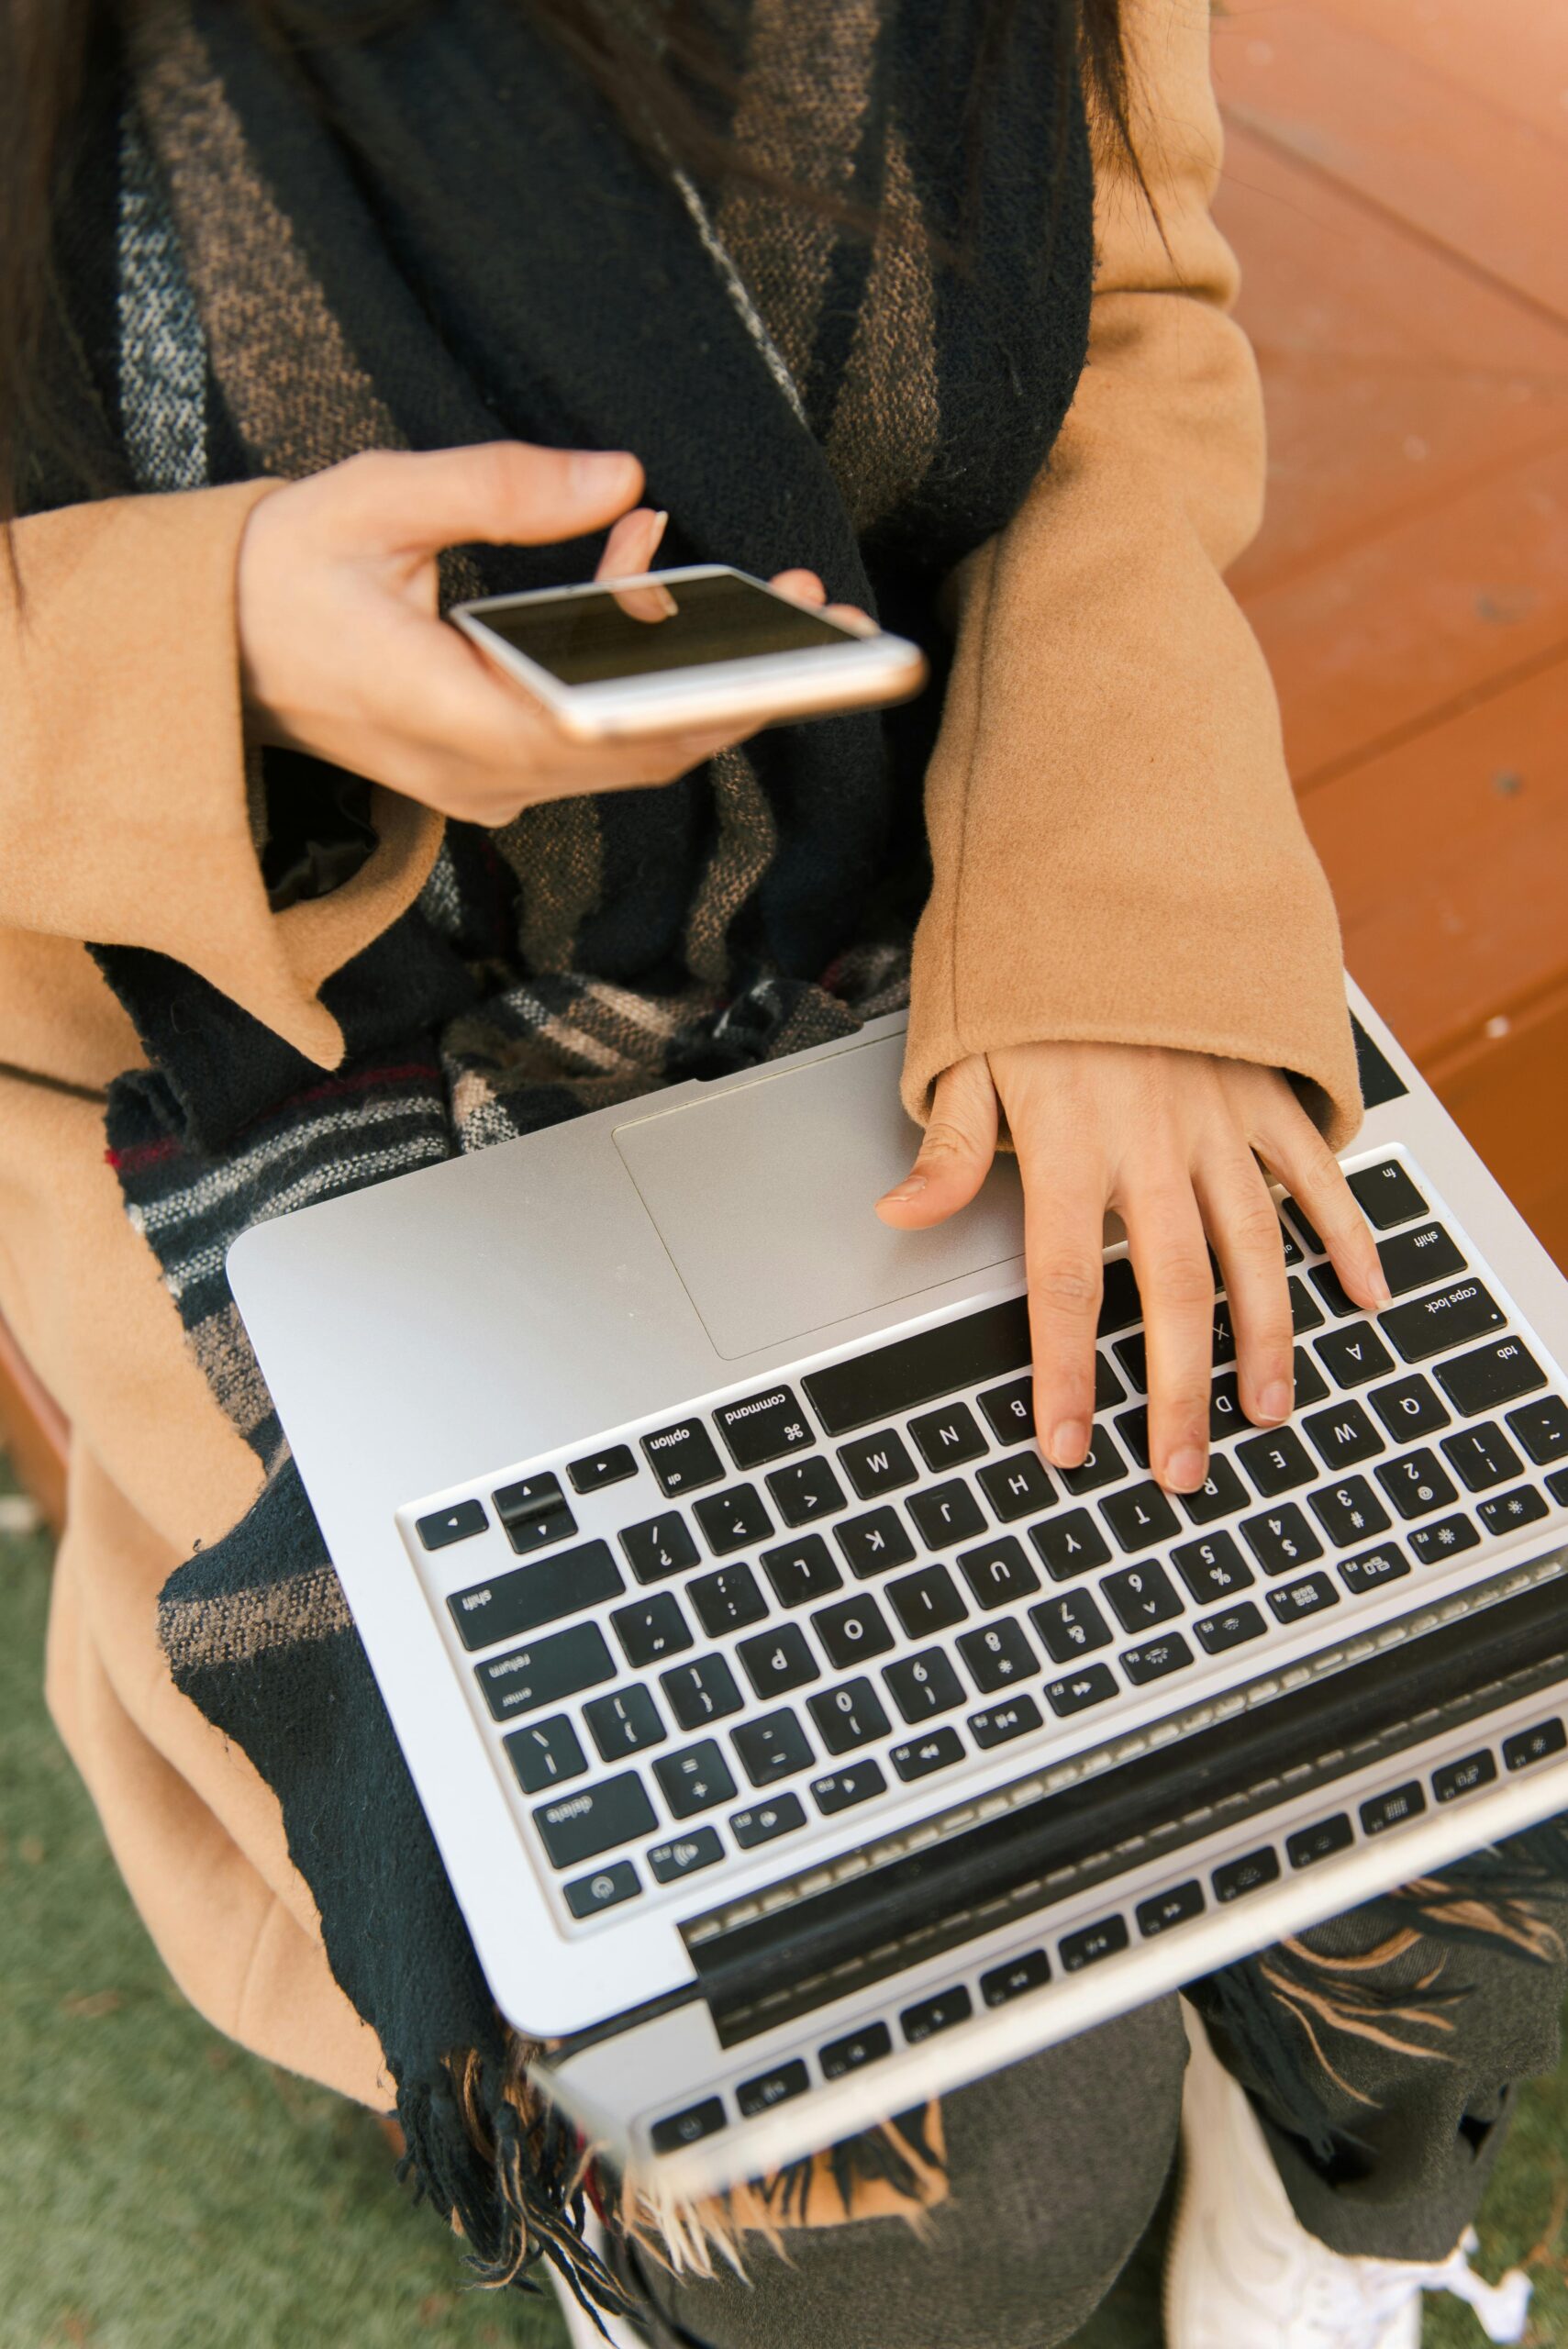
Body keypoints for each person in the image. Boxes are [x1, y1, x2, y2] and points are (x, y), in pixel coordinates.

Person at [0, 0, 1558, 2343]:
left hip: (942, 872)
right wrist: (193, 645)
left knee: (1455, 1712)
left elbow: (1119, 305)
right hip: (265, 1058)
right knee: (922, 2165)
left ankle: (1331, 2193)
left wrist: (1113, 900)